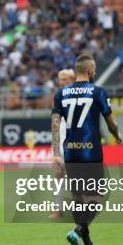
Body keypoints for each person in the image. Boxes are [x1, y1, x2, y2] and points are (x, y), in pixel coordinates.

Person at [51, 54, 122, 245]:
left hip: (71, 152)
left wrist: (57, 153)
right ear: (90, 71)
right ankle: (77, 231)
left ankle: (88, 243)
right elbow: (110, 122)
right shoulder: (98, 92)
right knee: (98, 197)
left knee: (78, 199)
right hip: (91, 152)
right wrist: (117, 135)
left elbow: (55, 125)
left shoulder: (61, 93)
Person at [49, 69, 76, 219]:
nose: (61, 82)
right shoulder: (58, 97)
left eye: (64, 79)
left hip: (75, 140)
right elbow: (54, 122)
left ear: (72, 80)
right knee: (58, 175)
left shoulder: (80, 95)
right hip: (60, 139)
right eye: (60, 79)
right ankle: (58, 210)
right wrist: (55, 150)